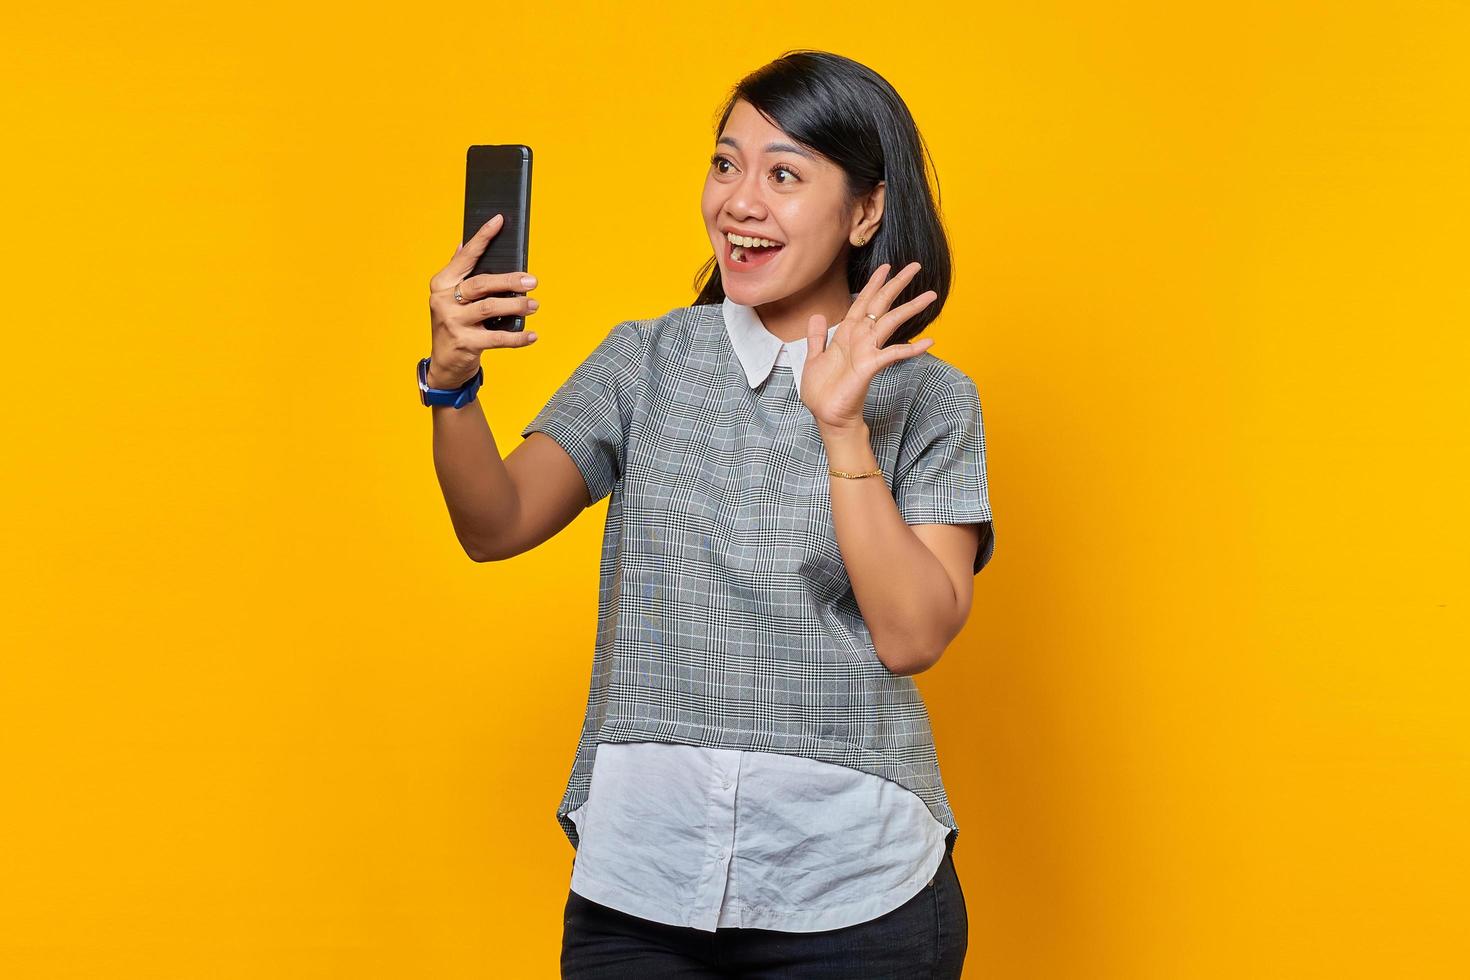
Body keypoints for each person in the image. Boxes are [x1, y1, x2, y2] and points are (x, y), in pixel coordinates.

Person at [422, 50, 992, 979]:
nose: (739, 202)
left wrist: (842, 424)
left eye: (783, 174)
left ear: (866, 210)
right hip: (641, 887)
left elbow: (914, 635)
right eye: (725, 163)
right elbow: (496, 525)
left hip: (856, 892)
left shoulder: (929, 398)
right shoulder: (642, 361)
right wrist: (451, 385)